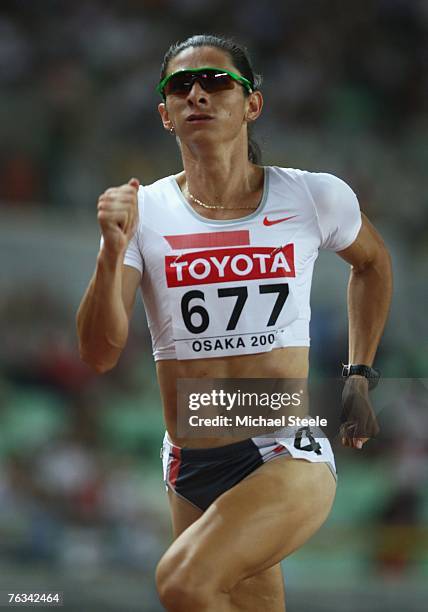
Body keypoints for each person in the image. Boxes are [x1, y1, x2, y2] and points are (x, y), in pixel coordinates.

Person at [76, 34, 393, 612]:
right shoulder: (144, 213)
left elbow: (373, 264)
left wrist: (358, 374)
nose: (197, 93)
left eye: (217, 81)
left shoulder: (313, 196)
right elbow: (99, 353)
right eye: (180, 86)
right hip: (189, 457)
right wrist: (108, 250)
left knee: (183, 584)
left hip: (282, 442)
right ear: (165, 115)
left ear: (253, 104)